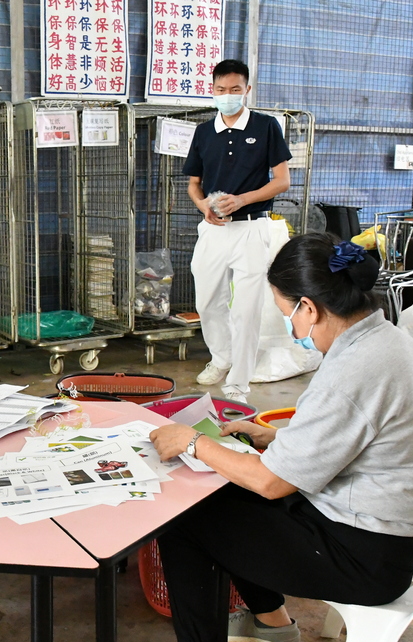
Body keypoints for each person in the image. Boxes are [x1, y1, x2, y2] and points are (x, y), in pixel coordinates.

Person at [148, 233, 413, 642]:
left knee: (186, 515)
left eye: (287, 315)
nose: (292, 329)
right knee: (227, 490)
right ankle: (272, 624)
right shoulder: (382, 339)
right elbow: (355, 433)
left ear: (308, 307)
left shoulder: (357, 367)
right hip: (376, 534)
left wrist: (192, 441)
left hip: (365, 557)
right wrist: (277, 437)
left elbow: (272, 484)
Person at [183, 59, 293, 402]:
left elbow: (283, 181)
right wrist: (203, 206)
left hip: (251, 229)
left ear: (246, 90)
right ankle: (221, 358)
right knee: (207, 302)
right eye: (220, 90)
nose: (227, 96)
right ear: (211, 90)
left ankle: (238, 384)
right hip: (213, 230)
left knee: (246, 309)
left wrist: (242, 199)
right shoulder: (203, 132)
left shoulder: (266, 126)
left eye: (234, 90)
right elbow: (193, 184)